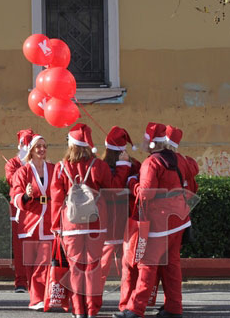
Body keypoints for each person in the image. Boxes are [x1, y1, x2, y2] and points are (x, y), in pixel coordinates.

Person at [115, 123, 193, 318]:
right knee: (171, 264)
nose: (142, 142)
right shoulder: (179, 159)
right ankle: (174, 308)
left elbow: (146, 194)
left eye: (144, 139)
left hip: (159, 225)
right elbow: (192, 173)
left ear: (151, 143)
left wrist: (132, 182)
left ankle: (135, 309)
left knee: (147, 266)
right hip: (180, 221)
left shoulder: (151, 163)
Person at [50, 123, 112, 318]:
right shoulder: (100, 166)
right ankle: (92, 309)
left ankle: (79, 311)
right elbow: (110, 193)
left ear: (71, 144)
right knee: (93, 268)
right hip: (96, 223)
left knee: (76, 269)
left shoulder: (61, 167)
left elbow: (56, 199)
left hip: (71, 225)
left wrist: (55, 226)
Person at [10, 134, 55, 310]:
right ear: (31, 150)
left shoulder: (53, 168)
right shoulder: (23, 172)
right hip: (30, 222)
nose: (42, 149)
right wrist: (27, 195)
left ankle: (43, 298)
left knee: (44, 262)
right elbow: (15, 196)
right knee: (30, 265)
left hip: (49, 222)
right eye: (38, 146)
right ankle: (36, 300)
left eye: (44, 146)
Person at [99, 127, 140, 288]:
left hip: (121, 219)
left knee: (121, 260)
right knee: (118, 260)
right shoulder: (102, 166)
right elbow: (113, 189)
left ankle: (94, 299)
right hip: (115, 220)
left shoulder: (134, 165)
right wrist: (124, 166)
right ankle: (128, 296)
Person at [4, 129, 36, 293]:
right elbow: (12, 180)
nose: (27, 146)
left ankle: (35, 281)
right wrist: (24, 168)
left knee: (37, 248)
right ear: (20, 144)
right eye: (25, 143)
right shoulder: (12, 164)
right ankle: (21, 282)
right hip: (19, 211)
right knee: (20, 249)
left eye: (30, 143)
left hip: (36, 211)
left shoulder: (39, 163)